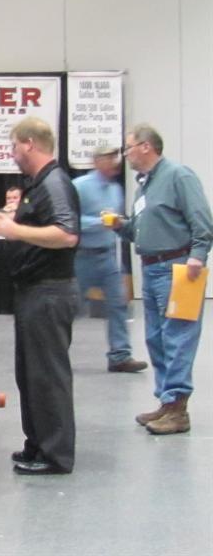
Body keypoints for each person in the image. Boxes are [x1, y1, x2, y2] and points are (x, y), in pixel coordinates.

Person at [0, 116, 79, 475]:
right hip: (34, 292)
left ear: (30, 143)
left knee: (48, 376)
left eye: (14, 146)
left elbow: (66, 234)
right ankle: (38, 444)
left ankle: (55, 455)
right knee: (31, 375)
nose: (12, 153)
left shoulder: (55, 184)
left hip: (49, 291)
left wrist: (15, 232)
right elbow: (24, 225)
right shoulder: (38, 185)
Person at [112, 124, 212, 435]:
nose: (126, 154)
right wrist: (121, 226)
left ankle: (178, 409)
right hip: (152, 269)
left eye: (129, 147)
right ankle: (166, 402)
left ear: (146, 146)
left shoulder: (178, 176)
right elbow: (139, 230)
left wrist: (198, 254)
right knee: (156, 339)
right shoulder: (144, 185)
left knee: (178, 337)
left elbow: (202, 219)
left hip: (179, 268)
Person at [72, 145, 146, 373]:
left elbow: (117, 223)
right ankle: (54, 353)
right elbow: (70, 220)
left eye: (115, 157)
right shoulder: (79, 186)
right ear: (96, 161)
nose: (115, 162)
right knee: (71, 308)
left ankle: (120, 356)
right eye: (108, 158)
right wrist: (99, 222)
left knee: (118, 304)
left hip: (107, 256)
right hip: (82, 257)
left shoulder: (116, 190)